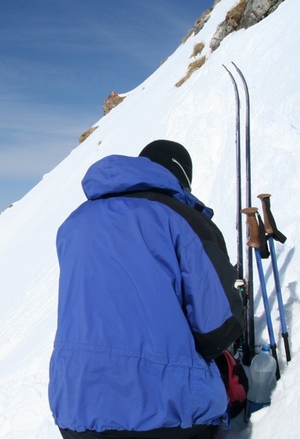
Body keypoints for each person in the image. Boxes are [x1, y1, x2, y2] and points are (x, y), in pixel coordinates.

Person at [52, 140, 248, 438]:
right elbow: (218, 327)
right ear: (181, 177)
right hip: (168, 414)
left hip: (74, 407)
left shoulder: (73, 224)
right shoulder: (183, 219)